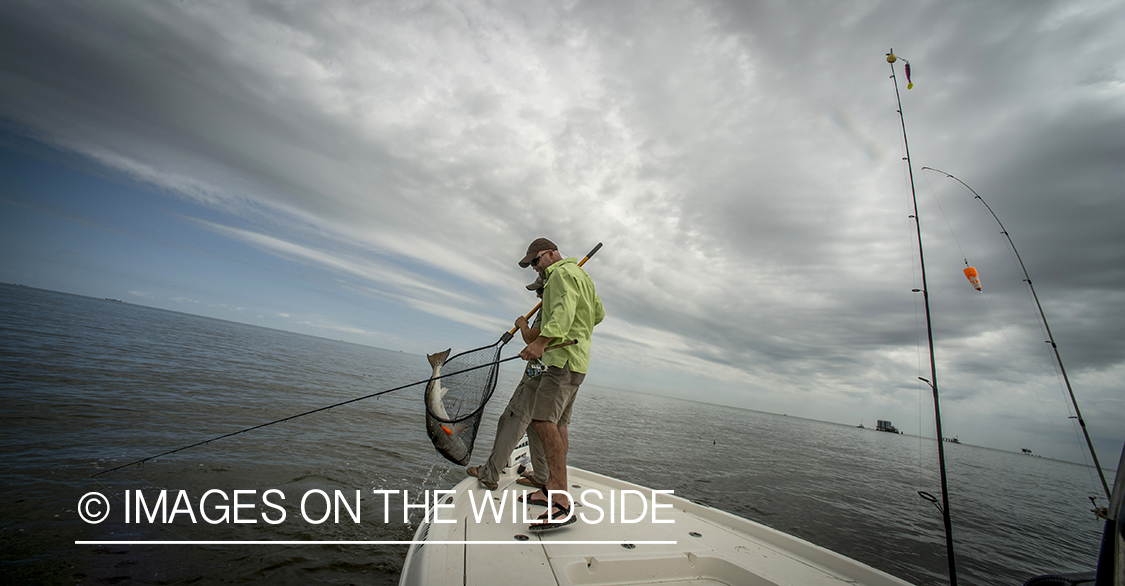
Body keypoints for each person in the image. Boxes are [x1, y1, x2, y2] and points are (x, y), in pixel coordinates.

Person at [517, 238, 604, 529]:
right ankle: (550, 488)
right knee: (559, 424)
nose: (535, 267)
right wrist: (576, 328)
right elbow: (598, 315)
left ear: (552, 253)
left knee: (542, 421)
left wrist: (541, 342)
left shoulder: (559, 274)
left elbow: (563, 314)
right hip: (577, 360)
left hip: (561, 361)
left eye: (536, 260)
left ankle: (561, 502)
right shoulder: (582, 276)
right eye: (531, 264)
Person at [464, 276, 550, 493]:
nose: (538, 295)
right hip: (553, 374)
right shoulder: (562, 304)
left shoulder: (549, 305)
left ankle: (490, 473)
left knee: (512, 419)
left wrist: (523, 326)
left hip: (539, 371)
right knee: (535, 423)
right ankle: (542, 475)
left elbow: (534, 337)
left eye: (540, 290)